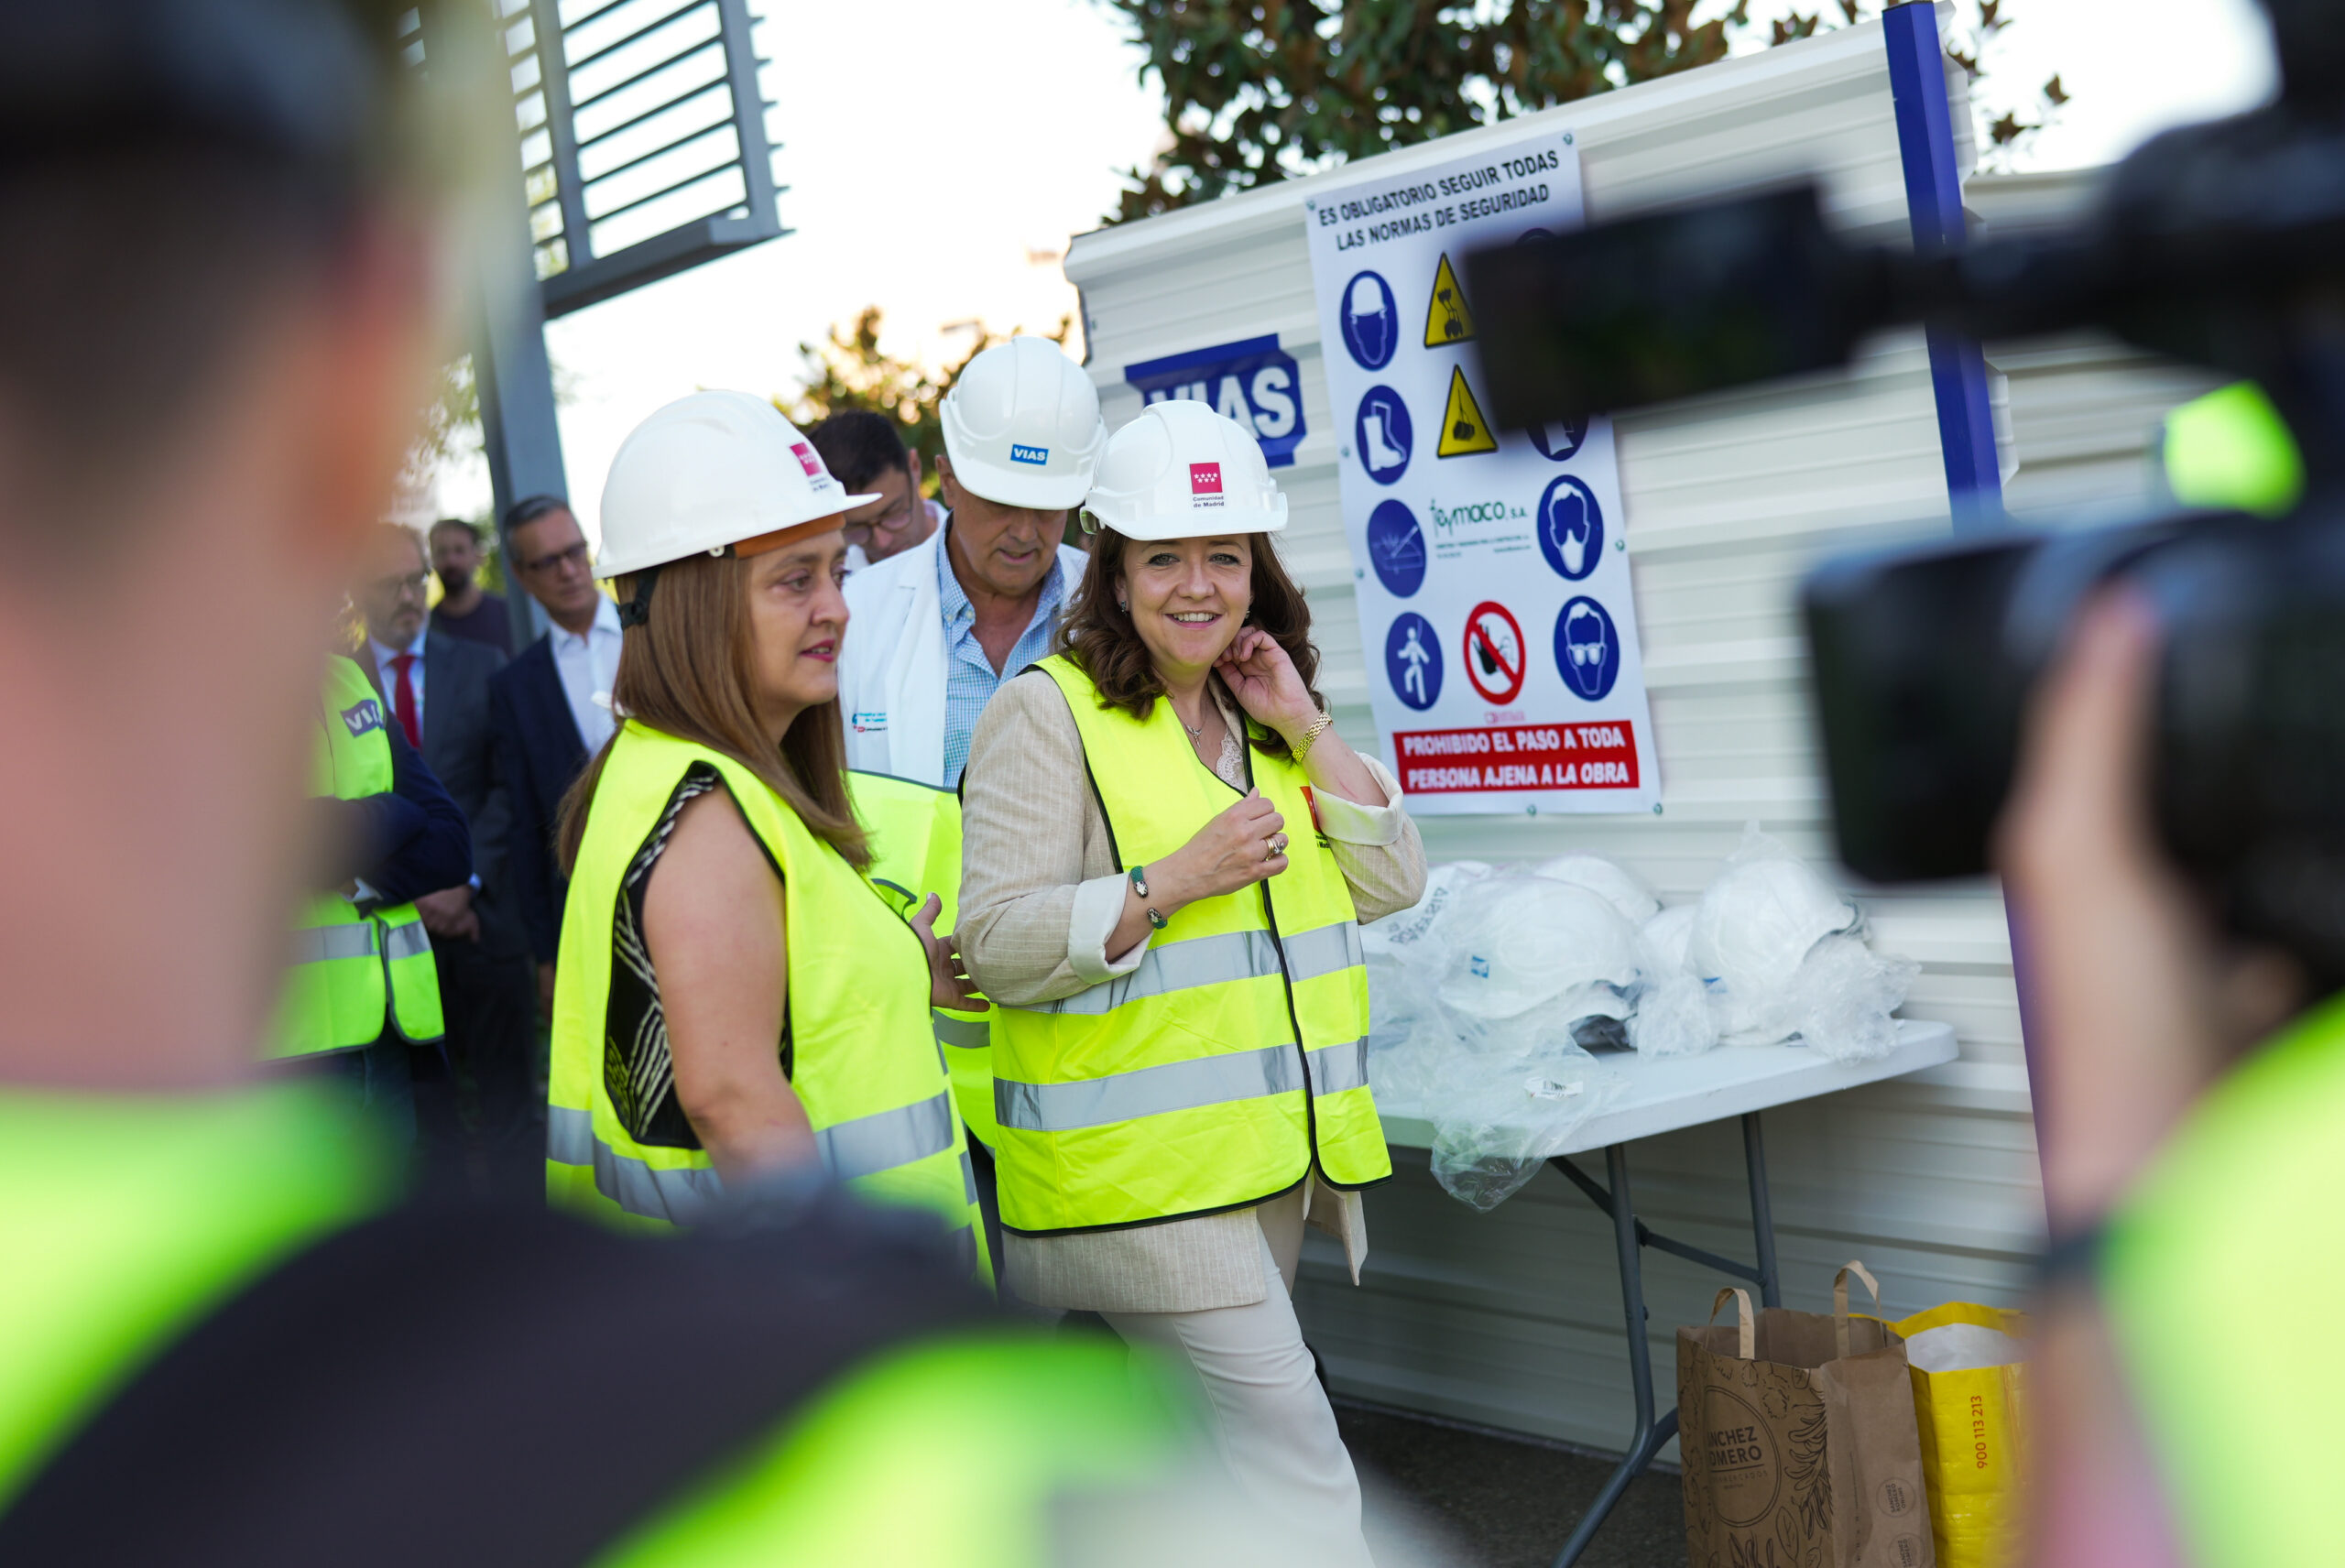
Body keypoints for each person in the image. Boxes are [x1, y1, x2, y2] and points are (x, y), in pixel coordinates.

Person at [958, 400, 1428, 1564]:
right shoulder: (1045, 713)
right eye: (1163, 556)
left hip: (1263, 1166)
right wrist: (1170, 880)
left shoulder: (1260, 714)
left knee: (1198, 1479)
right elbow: (999, 938)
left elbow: (1392, 881)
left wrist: (1308, 722)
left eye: (1224, 555)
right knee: (1300, 1466)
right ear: (1111, 574)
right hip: (1143, 1186)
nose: (1198, 585)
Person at [542, 389, 989, 1279]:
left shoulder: (671, 773)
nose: (835, 607)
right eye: (794, 579)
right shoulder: (707, 812)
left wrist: (898, 965)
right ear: (694, 601)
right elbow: (732, 1097)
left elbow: (775, 1006)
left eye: (836, 569)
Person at [353, 522, 539, 1195]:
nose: (409, 594)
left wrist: (462, 881)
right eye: (389, 583)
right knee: (430, 1132)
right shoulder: (340, 683)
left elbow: (505, 786)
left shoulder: (482, 664)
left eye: (415, 579)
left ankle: (527, 1263)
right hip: (388, 949)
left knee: (509, 1108)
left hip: (480, 921)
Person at [835, 335, 1104, 790]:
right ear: (948, 481)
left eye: (1047, 505)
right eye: (1000, 502)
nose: (1024, 531)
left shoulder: (1114, 605)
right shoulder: (855, 612)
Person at [489, 494, 618, 1018]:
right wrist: (545, 952)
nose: (569, 570)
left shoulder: (653, 633)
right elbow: (525, 826)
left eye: (575, 551)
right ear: (522, 576)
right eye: (548, 561)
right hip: (583, 905)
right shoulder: (514, 686)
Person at [806, 408, 942, 567]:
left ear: (914, 467)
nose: (882, 542)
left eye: (893, 514)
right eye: (857, 528)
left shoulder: (969, 552)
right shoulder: (838, 584)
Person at [426, 516, 512, 652]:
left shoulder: (508, 617)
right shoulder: (426, 628)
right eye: (442, 552)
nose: (451, 561)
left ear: (478, 556)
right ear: (432, 560)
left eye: (459, 550)